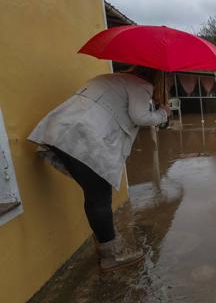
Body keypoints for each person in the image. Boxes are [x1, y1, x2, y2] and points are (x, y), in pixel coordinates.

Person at [28, 66, 170, 272]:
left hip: (60, 131)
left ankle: (106, 240)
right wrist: (162, 113)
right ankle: (111, 255)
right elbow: (140, 117)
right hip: (85, 139)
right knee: (99, 197)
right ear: (159, 74)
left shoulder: (110, 78)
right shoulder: (141, 85)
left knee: (95, 194)